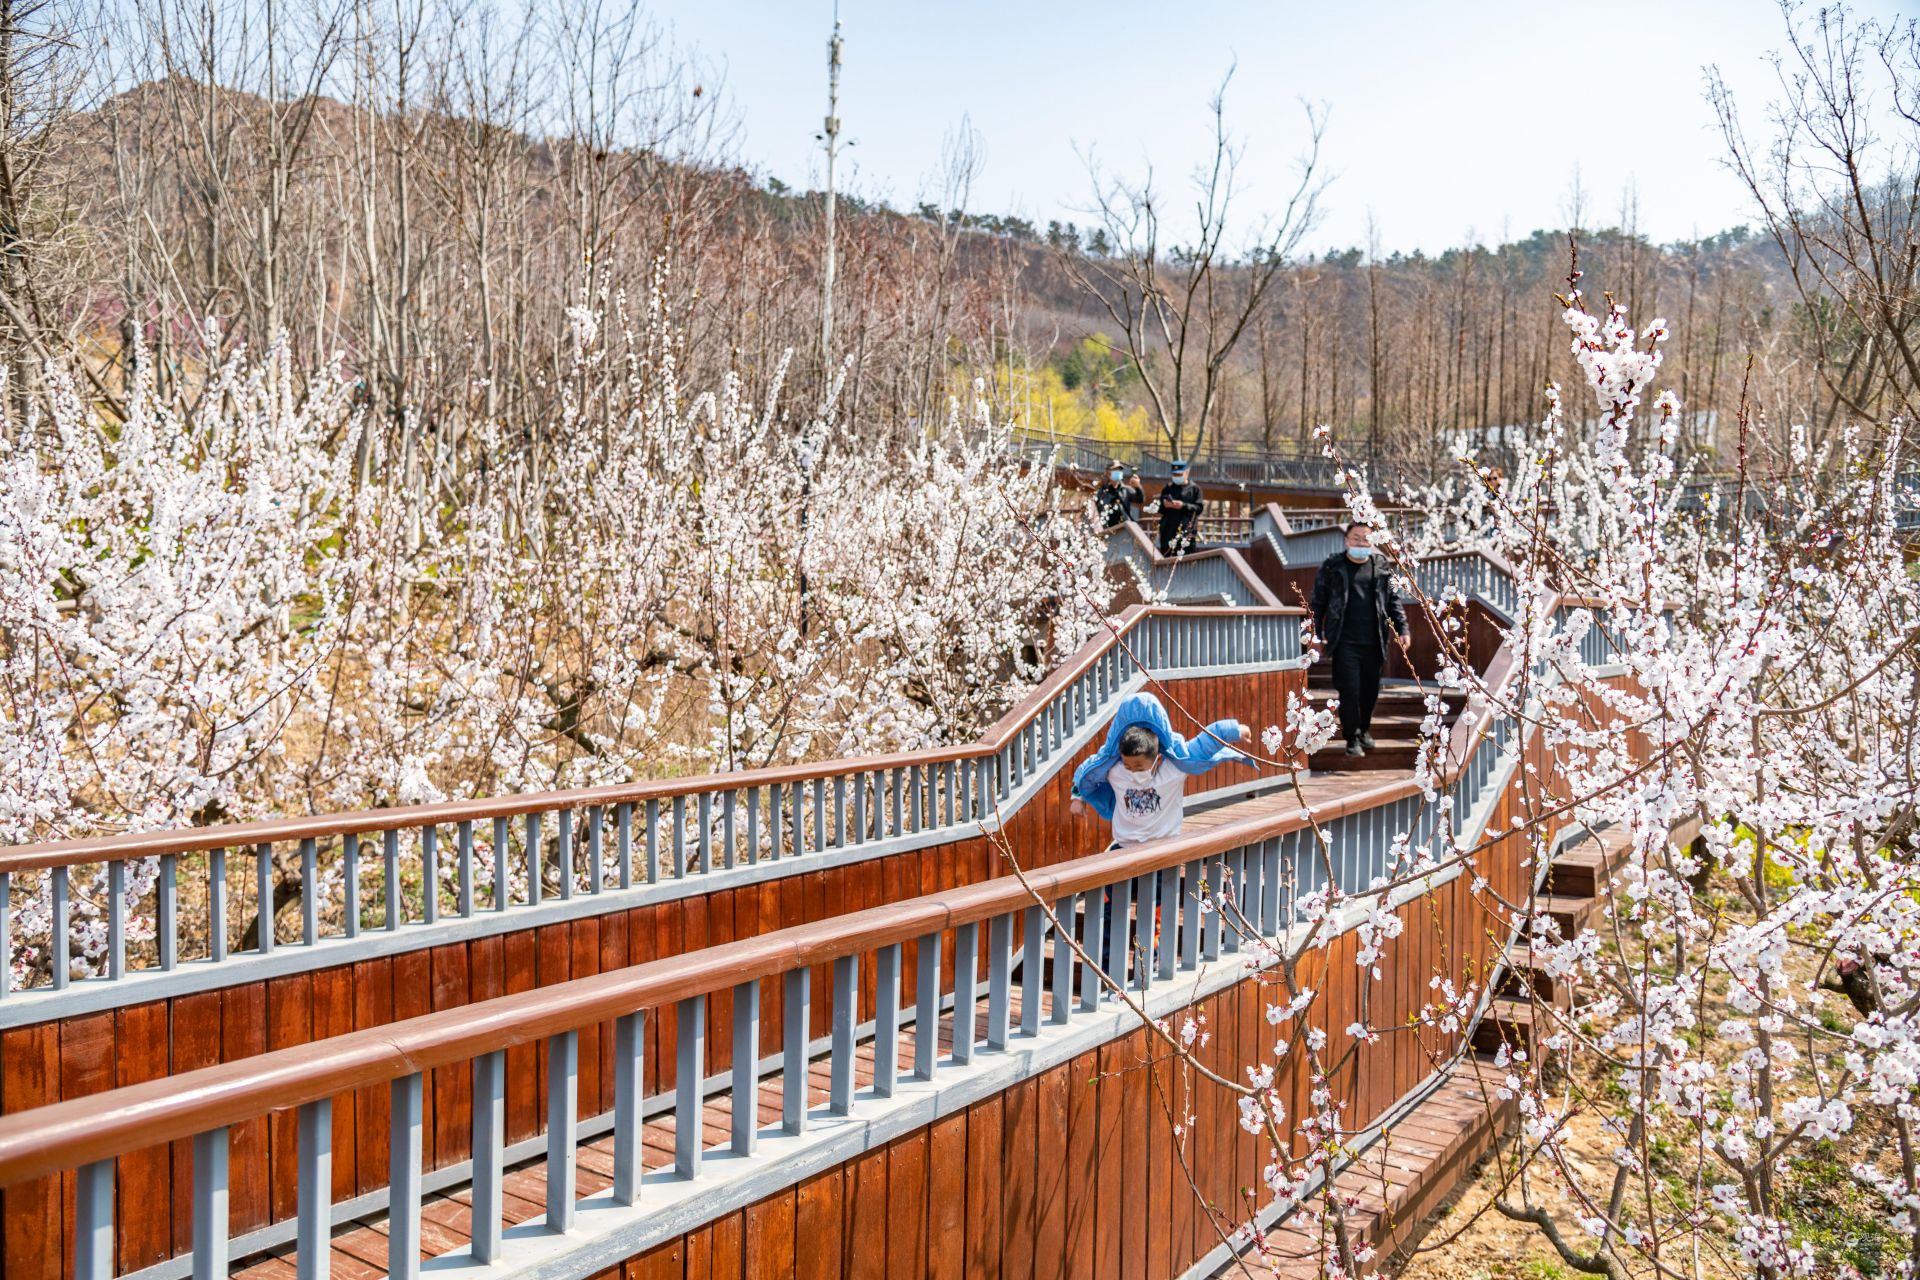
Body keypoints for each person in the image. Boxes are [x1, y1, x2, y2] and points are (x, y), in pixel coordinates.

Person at [1069, 691, 1251, 846]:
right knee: (1115, 888)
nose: (1133, 772)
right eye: (1128, 766)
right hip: (1124, 847)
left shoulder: (1173, 770)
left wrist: (1233, 730)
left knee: (1161, 887)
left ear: (1158, 758)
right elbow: (1088, 772)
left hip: (1164, 848)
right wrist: (1078, 797)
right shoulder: (1115, 771)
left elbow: (1202, 746)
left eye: (1139, 767)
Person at [1311, 521, 1409, 757]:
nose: (1361, 543)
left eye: (1366, 539)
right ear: (1346, 541)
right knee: (1349, 690)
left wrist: (1403, 628)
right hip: (1344, 642)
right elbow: (1318, 602)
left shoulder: (1381, 565)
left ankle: (1364, 729)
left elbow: (1393, 600)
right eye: (1356, 538)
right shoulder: (1333, 565)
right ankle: (1351, 737)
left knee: (1370, 691)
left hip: (1375, 640)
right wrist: (1315, 634)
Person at [1155, 460, 1205, 556]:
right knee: (1167, 561)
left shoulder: (1195, 489)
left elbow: (1199, 508)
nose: (1176, 477)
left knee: (1186, 563)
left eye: (1179, 474)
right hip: (1168, 533)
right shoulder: (1167, 488)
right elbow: (1160, 509)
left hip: (1186, 533)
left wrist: (1183, 505)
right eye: (1174, 475)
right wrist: (1164, 505)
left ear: (1187, 472)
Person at [1091, 463, 1133, 530]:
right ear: (1107, 472)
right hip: (1108, 529)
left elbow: (1140, 498)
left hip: (1125, 528)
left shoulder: (1124, 489)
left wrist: (1138, 487)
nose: (1118, 472)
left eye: (1119, 470)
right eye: (1115, 470)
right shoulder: (1102, 491)